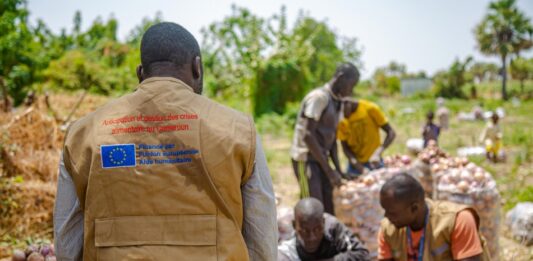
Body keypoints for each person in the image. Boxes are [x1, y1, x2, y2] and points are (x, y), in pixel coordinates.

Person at [53, 22, 277, 261]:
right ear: (197, 68)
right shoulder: (239, 129)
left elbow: (66, 242)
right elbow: (262, 237)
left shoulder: (82, 133)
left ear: (140, 73)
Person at [290, 63, 360, 214]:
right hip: (306, 159)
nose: (351, 90)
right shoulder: (319, 98)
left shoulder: (338, 102)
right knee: (313, 207)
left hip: (320, 159)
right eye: (351, 85)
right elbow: (308, 135)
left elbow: (332, 139)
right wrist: (329, 171)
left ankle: (325, 237)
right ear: (341, 78)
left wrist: (338, 171)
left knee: (328, 206)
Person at [378, 173, 489, 261]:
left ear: (414, 208)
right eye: (385, 210)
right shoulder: (388, 228)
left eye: (392, 212)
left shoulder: (457, 219)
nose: (386, 216)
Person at [278, 198, 370, 261]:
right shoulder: (286, 249)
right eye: (305, 231)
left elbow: (361, 253)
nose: (312, 238)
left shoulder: (333, 228)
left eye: (317, 230)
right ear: (294, 225)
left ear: (323, 222)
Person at [337, 98, 395, 178]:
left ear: (347, 103)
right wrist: (360, 167)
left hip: (374, 162)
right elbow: (345, 148)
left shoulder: (369, 109)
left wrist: (377, 153)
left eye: (344, 114)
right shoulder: (341, 121)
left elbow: (391, 133)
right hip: (355, 165)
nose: (344, 117)